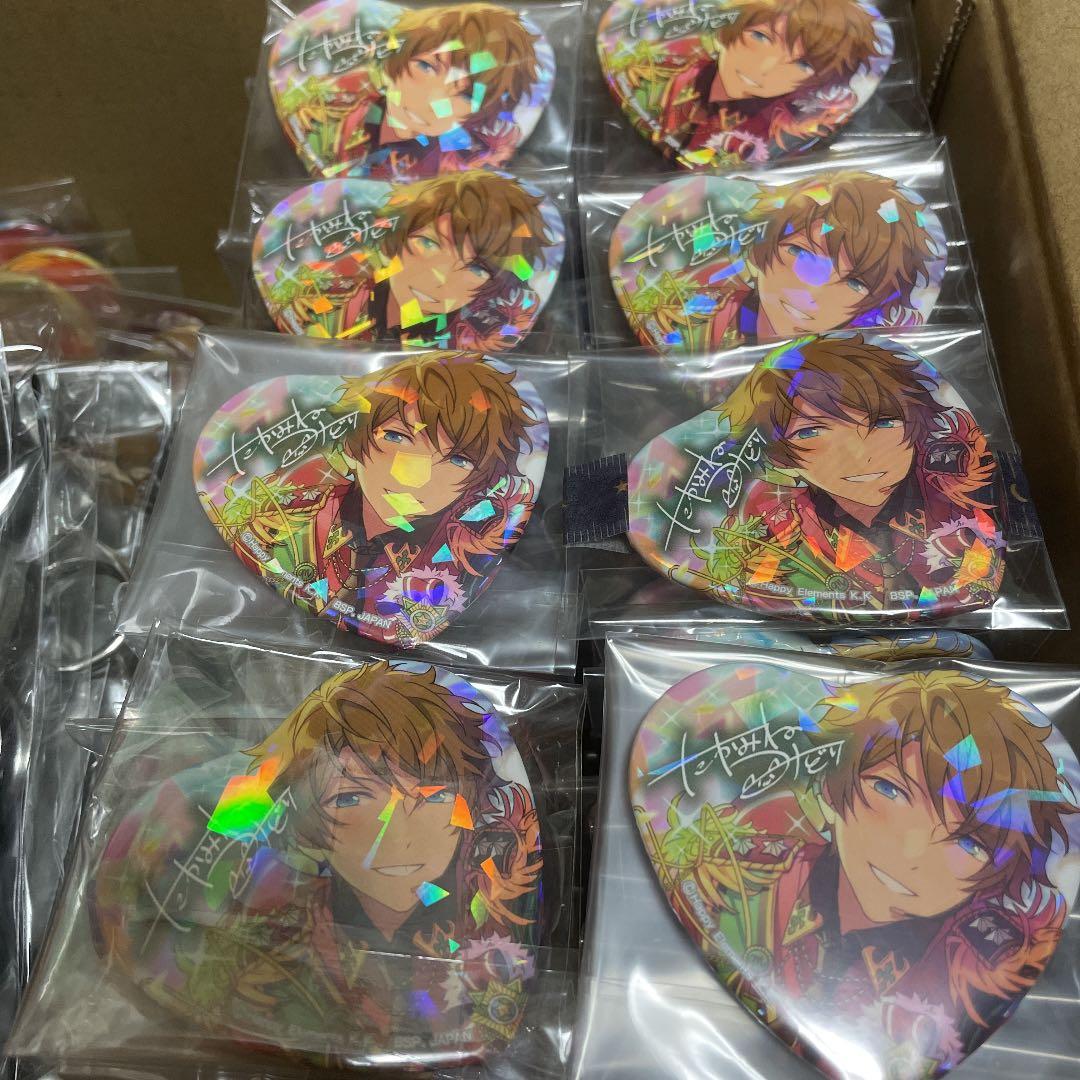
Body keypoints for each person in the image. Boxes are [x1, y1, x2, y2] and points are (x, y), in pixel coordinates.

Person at [96, 663, 542, 1059]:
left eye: (433, 795)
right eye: (350, 799)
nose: (396, 835)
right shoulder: (278, 929)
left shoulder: (489, 903)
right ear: (306, 822)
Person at [649, 672, 1077, 1072]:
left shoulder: (973, 972)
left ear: (1000, 874)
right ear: (832, 786)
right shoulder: (739, 882)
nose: (911, 852)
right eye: (889, 790)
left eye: (970, 844)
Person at [226, 352, 539, 644]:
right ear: (353, 443)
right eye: (396, 437)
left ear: (480, 481)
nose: (414, 477)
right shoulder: (289, 520)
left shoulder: (468, 555)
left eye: (459, 460)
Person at [714, 334, 1004, 617]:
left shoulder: (955, 497)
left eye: (884, 422)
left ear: (916, 424)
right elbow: (750, 584)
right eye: (811, 431)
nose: (859, 454)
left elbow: (979, 579)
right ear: (781, 454)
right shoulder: (778, 519)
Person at [275, 171, 555, 351]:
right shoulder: (329, 298)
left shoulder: (470, 341)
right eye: (428, 243)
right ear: (399, 239)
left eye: (475, 268)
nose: (439, 277)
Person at [681, 171, 940, 349]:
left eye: (855, 283)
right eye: (799, 252)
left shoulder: (841, 379)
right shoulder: (700, 315)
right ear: (763, 246)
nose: (812, 291)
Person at [322, 4, 541, 177]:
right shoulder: (337, 109)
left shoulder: (449, 171)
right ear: (394, 62)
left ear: (480, 113)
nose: (433, 102)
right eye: (426, 67)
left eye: (466, 95)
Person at [658, 0, 882, 165]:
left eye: (803, 64)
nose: (764, 69)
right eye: (760, 37)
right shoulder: (683, 71)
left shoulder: (774, 129)